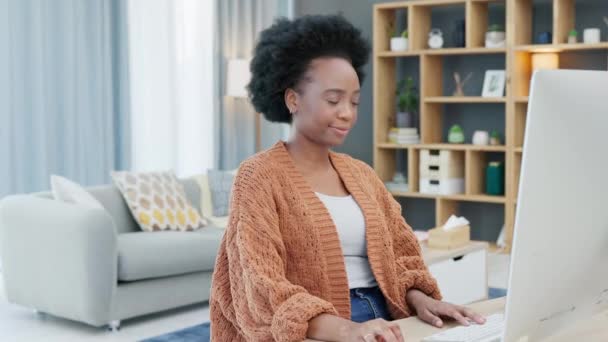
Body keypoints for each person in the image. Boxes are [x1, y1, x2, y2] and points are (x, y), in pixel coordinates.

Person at [210, 14, 485, 342]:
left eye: (354, 101)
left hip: (388, 318)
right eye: (333, 100)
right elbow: (261, 286)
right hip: (324, 328)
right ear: (292, 99)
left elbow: (402, 255)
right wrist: (347, 329)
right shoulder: (258, 177)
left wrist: (423, 300)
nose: (348, 113)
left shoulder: (362, 174)